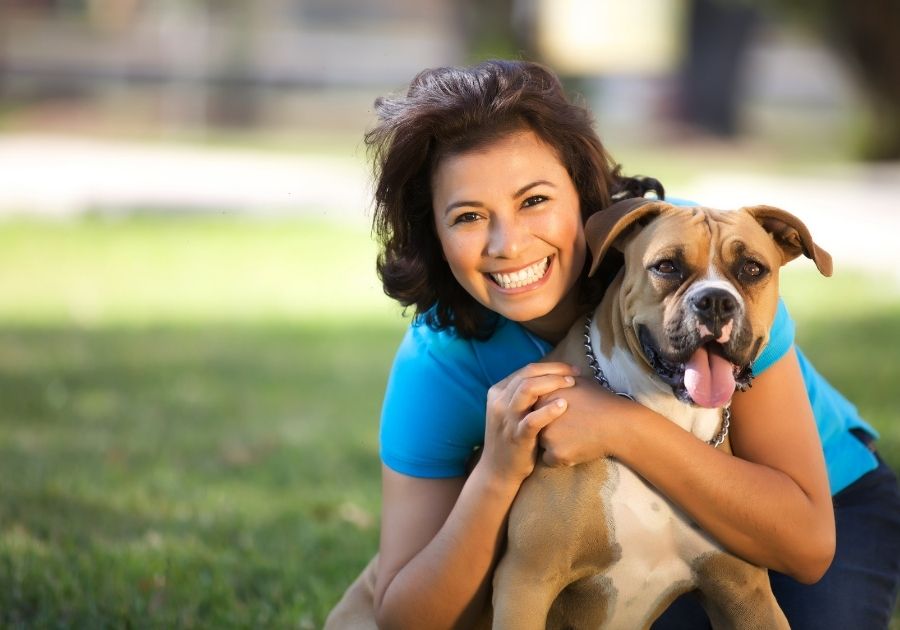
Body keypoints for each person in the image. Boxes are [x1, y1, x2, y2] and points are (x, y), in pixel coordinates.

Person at [325, 59, 900, 629]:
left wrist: (618, 424)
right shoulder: (443, 357)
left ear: (585, 196)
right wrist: (496, 475)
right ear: (436, 232)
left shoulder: (703, 268)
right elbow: (407, 619)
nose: (510, 243)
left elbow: (806, 545)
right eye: (470, 216)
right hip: (624, 534)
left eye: (534, 201)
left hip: (823, 498)